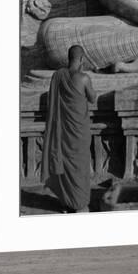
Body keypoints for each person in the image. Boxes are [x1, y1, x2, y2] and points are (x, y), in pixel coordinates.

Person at [41, 45, 96, 212]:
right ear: (82, 59)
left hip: (64, 130)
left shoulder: (58, 76)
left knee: (66, 164)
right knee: (80, 166)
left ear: (68, 58)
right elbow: (93, 98)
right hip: (79, 131)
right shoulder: (84, 78)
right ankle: (79, 204)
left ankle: (67, 201)